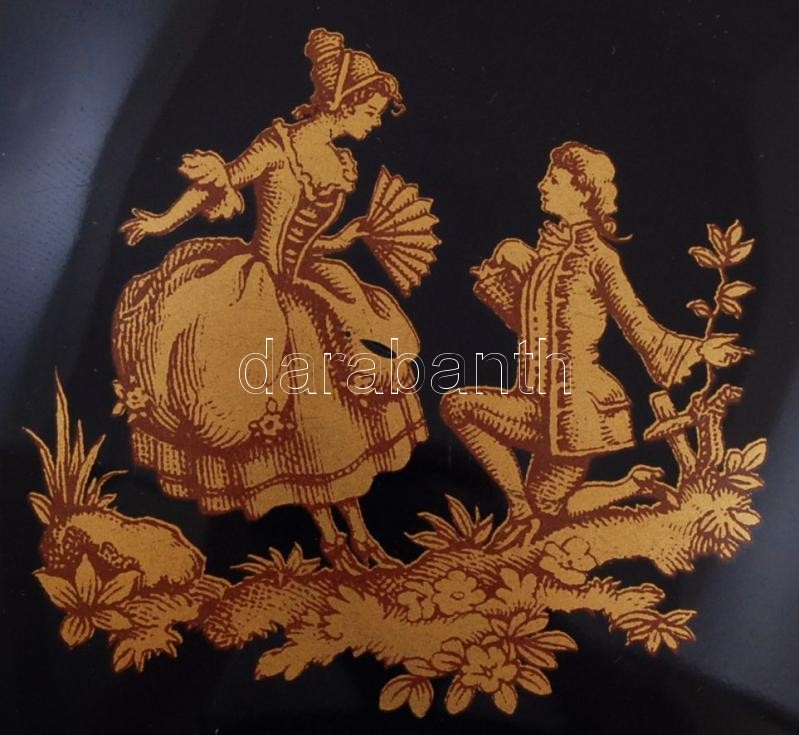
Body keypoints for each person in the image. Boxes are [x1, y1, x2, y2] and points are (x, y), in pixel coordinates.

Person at [111, 29, 427, 569]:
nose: (375, 123)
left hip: (313, 285)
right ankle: (331, 538)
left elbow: (309, 241)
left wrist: (345, 237)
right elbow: (220, 181)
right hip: (261, 293)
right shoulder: (278, 146)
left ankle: (358, 531)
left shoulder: (340, 163)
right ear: (344, 102)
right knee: (303, 427)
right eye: (371, 111)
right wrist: (162, 222)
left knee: (341, 419)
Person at [442, 141, 747, 523]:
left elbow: (636, 321)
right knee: (459, 408)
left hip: (577, 410)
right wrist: (496, 280)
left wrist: (701, 349)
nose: (542, 184)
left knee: (548, 506)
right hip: (536, 403)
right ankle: (576, 496)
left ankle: (545, 505)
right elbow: (530, 327)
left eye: (554, 179)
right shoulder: (548, 259)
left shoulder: (600, 259)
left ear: (583, 192)